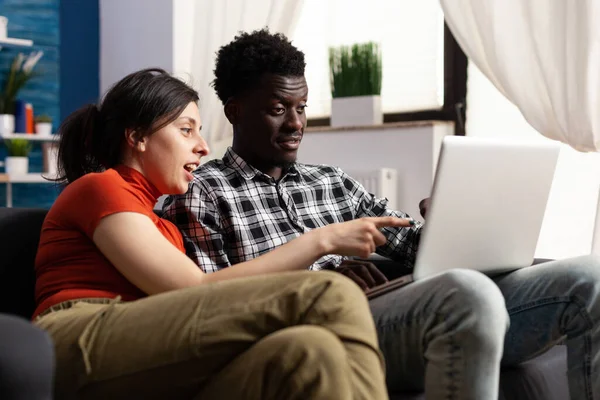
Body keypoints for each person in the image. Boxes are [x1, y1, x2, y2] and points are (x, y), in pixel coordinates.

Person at [163, 29, 600, 400]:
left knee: (590, 278)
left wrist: (449, 222)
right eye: (278, 109)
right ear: (235, 111)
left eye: (301, 107)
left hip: (394, 301)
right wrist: (319, 281)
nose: (296, 123)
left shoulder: (332, 181)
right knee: (467, 292)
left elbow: (412, 244)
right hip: (331, 325)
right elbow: (213, 308)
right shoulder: (203, 192)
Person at [33, 68, 400, 400]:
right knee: (330, 293)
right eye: (186, 129)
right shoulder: (101, 187)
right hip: (76, 337)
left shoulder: (162, 226)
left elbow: (208, 291)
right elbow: (193, 290)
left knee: (309, 351)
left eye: (200, 131)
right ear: (138, 137)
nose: (203, 147)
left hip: (146, 357)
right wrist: (323, 240)